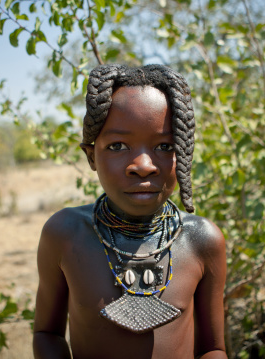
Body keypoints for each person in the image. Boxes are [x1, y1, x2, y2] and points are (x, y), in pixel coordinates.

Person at [33, 64, 227, 359]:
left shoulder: (202, 241)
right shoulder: (65, 234)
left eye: (165, 145)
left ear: (185, 154)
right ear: (91, 156)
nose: (143, 165)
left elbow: (212, 349)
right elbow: (47, 333)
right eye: (118, 145)